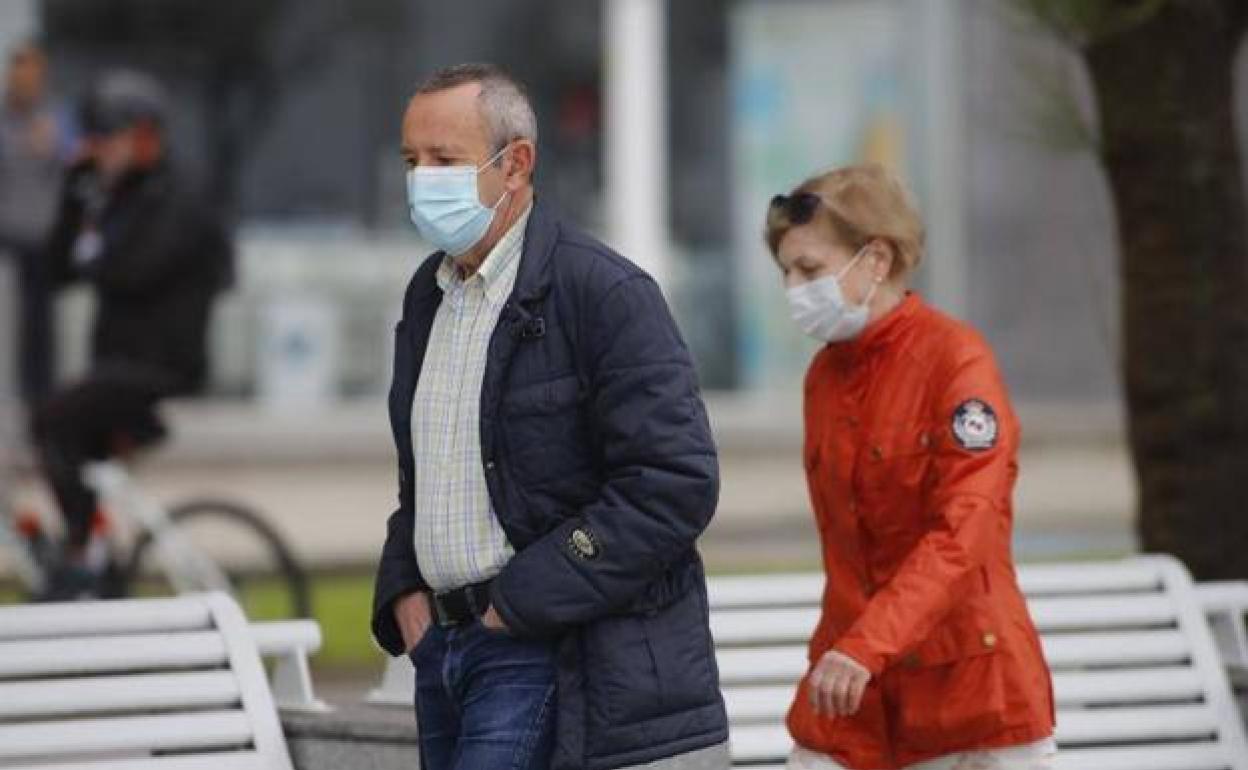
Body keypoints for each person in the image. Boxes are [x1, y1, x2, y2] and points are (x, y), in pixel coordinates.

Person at [370, 63, 727, 770]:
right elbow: (429, 473)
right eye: (412, 161)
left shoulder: (603, 292)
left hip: (535, 645)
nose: (422, 180)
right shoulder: (429, 293)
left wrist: (518, 602)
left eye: (445, 160)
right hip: (442, 651)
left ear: (517, 165)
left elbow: (674, 481)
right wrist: (403, 588)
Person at [764, 164, 1056, 770]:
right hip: (853, 699)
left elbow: (964, 531)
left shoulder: (956, 361)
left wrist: (867, 647)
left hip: (970, 700)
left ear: (877, 259)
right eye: (786, 272)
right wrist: (854, 652)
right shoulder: (824, 376)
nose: (793, 288)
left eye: (809, 270)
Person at [31, 70, 232, 597]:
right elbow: (57, 271)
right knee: (69, 445)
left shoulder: (178, 198)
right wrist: (76, 197)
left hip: (158, 365)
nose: (96, 151)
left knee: (50, 420)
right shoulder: (116, 198)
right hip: (117, 366)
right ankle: (102, 579)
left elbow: (129, 270)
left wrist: (93, 234)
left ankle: (80, 551)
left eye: (106, 139)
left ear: (145, 136)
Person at [0, 41, 76, 405]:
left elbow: (77, 168)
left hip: (44, 235)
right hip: (8, 231)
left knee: (41, 330)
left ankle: (42, 403)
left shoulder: (56, 118)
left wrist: (56, 148)